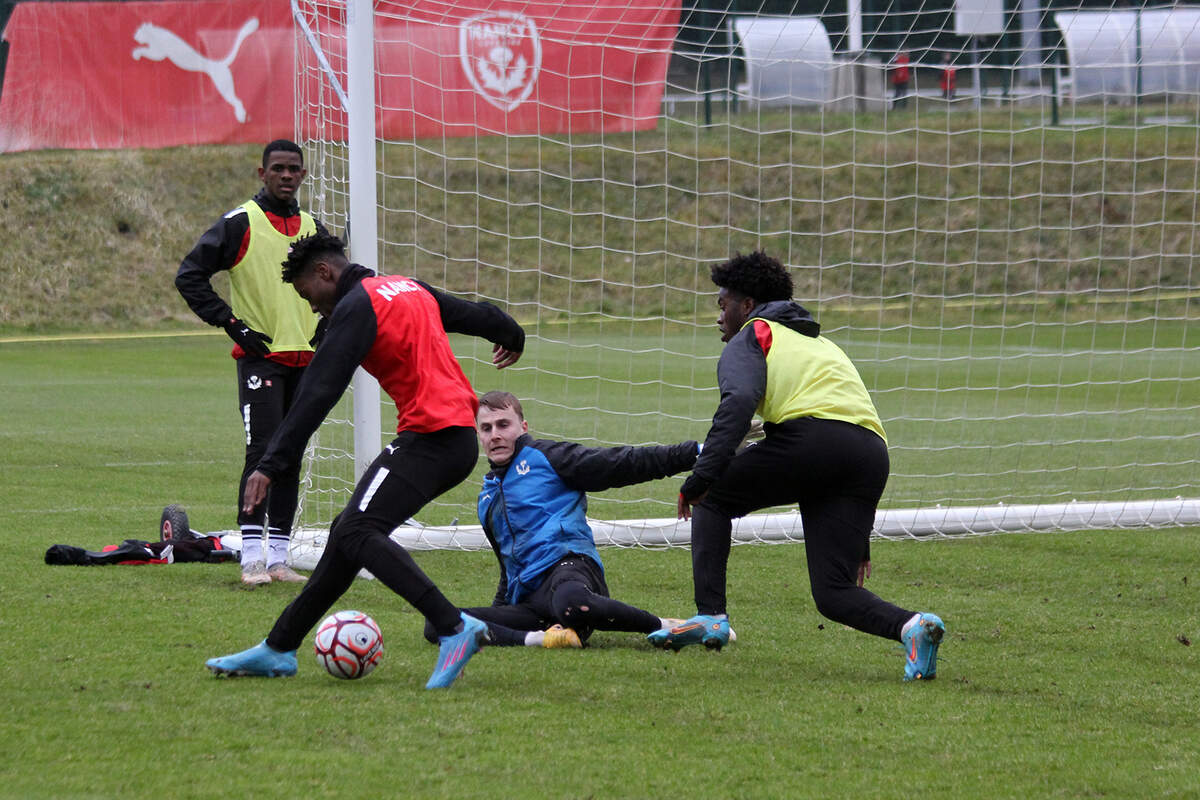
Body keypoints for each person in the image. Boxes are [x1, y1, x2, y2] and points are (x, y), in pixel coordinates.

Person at [205, 231, 526, 689]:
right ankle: (278, 648)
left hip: (432, 438)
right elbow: (474, 314)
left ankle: (455, 627)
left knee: (357, 530)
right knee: (345, 536)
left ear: (324, 273)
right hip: (451, 438)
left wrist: (271, 464)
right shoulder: (408, 287)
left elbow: (318, 391)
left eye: (308, 296)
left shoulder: (358, 307)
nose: (313, 307)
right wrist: (510, 332)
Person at [649, 251, 944, 682]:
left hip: (813, 441)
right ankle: (912, 627)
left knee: (711, 500)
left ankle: (710, 618)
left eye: (723, 305)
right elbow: (848, 427)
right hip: (870, 452)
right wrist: (856, 536)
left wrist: (700, 478)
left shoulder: (755, 334)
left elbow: (737, 404)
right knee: (834, 592)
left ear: (746, 305)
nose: (719, 317)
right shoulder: (821, 343)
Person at [424, 390, 711, 649]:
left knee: (572, 604)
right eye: (486, 428)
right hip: (532, 604)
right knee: (439, 621)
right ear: (479, 435)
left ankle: (669, 627)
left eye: (503, 425)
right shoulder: (486, 499)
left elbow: (620, 463)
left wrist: (692, 454)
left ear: (523, 427)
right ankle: (540, 638)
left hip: (570, 573)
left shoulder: (548, 457)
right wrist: (498, 615)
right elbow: (507, 568)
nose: (495, 435)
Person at [176, 139, 328, 586]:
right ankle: (252, 559)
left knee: (291, 455)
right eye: (278, 168)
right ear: (261, 173)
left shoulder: (313, 227)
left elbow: (333, 283)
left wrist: (326, 323)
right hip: (262, 361)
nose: (286, 175)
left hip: (305, 360)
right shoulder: (242, 222)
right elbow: (189, 275)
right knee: (261, 452)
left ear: (303, 175)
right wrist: (231, 323)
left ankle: (280, 558)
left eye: (294, 169)